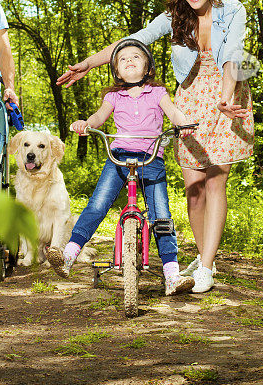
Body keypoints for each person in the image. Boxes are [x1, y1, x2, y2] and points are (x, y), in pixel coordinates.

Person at [57, 0, 254, 293]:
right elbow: (135, 40)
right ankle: (206, 256)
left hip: (226, 95)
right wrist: (88, 64)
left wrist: (226, 95)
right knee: (193, 190)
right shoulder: (174, 17)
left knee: (215, 182)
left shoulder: (233, 10)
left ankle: (206, 266)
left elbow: (234, 55)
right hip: (189, 99)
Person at [48, 39, 196, 296]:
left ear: (148, 66)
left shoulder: (158, 93)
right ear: (116, 70)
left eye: (136, 57)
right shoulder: (113, 96)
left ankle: (172, 274)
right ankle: (69, 255)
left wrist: (184, 124)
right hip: (119, 155)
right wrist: (87, 123)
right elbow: (99, 117)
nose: (129, 60)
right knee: (97, 204)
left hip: (151, 158)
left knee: (161, 214)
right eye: (123, 58)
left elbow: (174, 113)